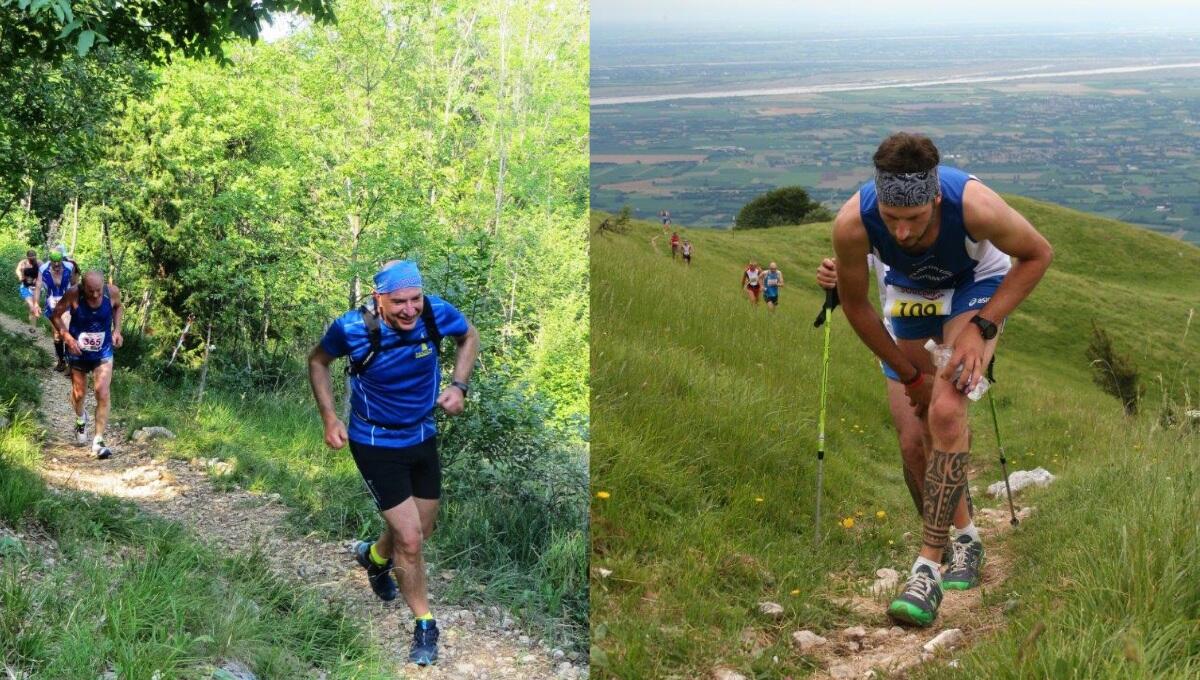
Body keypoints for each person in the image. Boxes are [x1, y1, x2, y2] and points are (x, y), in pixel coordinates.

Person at [831, 132, 1052, 627]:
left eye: (913, 220)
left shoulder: (975, 206)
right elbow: (855, 304)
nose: (902, 234)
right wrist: (910, 374)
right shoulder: (852, 223)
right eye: (892, 221)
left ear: (935, 199)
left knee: (947, 410)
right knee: (914, 442)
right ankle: (967, 538)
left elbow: (1038, 255)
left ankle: (927, 569)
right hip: (909, 294)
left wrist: (983, 328)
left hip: (974, 285)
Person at [308, 260, 480, 666]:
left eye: (415, 299)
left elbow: (469, 335)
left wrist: (459, 386)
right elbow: (318, 362)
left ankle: (374, 558)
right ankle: (424, 623)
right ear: (378, 300)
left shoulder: (436, 313)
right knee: (411, 539)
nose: (409, 309)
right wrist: (330, 418)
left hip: (422, 435)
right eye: (399, 301)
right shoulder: (351, 328)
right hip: (374, 441)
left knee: (421, 529)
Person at [816, 256, 975, 563]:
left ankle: (962, 529)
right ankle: (938, 536)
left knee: (944, 425)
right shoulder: (871, 217)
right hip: (897, 339)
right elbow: (853, 263)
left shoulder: (954, 214)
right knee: (913, 445)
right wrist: (834, 274)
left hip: (951, 334)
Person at [51, 271, 124, 459]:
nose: (95, 295)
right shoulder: (74, 294)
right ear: (83, 287)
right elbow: (56, 315)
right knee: (80, 394)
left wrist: (117, 330)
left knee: (102, 392)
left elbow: (118, 308)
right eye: (91, 291)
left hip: (103, 352)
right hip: (78, 352)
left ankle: (98, 440)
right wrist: (67, 338)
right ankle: (80, 418)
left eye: (98, 290)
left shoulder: (112, 292)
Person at [32, 250, 76, 371]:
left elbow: (74, 285)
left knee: (66, 330)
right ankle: (61, 360)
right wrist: (36, 303)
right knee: (57, 334)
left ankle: (70, 363)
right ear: (49, 260)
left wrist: (77, 303)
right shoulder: (43, 269)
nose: (56, 265)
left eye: (58, 262)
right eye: (53, 262)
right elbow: (38, 287)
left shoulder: (69, 267)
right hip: (51, 304)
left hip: (66, 303)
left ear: (62, 259)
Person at [14, 249, 40, 327]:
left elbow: (45, 272)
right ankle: (33, 327)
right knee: (32, 306)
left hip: (35, 288)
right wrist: (20, 275)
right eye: (30, 259)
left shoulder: (39, 263)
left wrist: (38, 279)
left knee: (34, 306)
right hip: (25, 287)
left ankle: (32, 325)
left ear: (36, 257)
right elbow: (17, 270)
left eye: (34, 258)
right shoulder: (23, 263)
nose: (32, 260)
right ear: (27, 257)